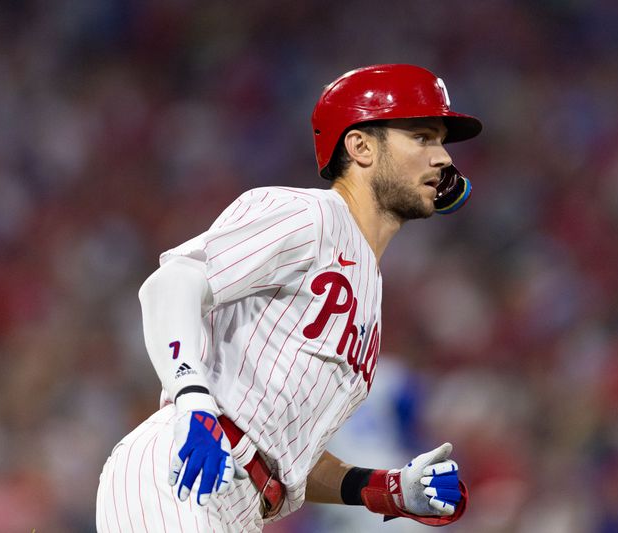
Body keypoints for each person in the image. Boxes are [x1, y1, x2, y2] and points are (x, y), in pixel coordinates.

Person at [96, 63, 482, 532]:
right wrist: (191, 396)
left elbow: (286, 458)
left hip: (241, 502)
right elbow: (171, 282)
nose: (443, 158)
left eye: (440, 140)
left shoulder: (369, 288)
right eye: (422, 137)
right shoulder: (308, 215)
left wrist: (387, 487)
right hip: (180, 476)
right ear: (360, 146)